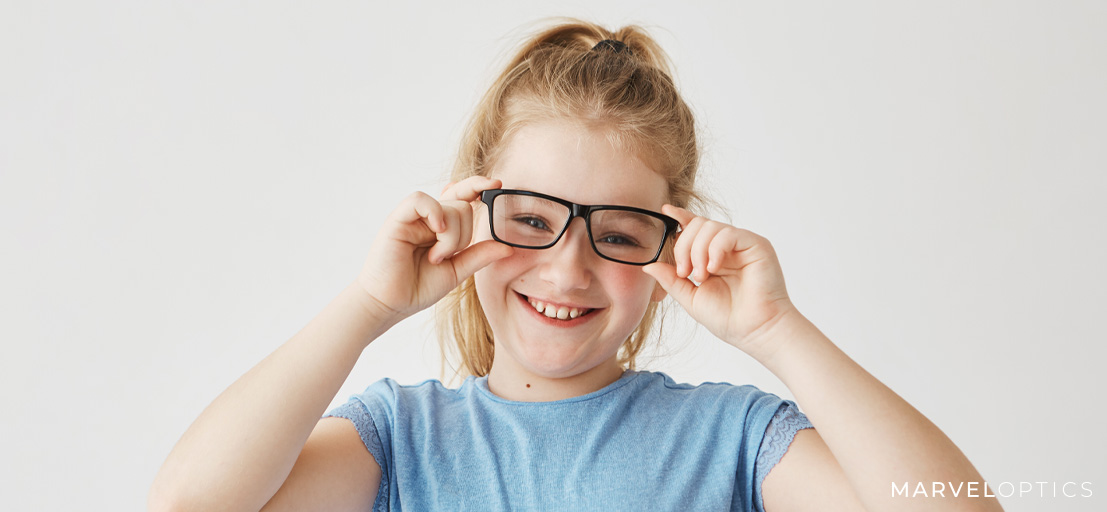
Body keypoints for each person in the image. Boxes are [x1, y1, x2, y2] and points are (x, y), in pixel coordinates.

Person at [149, 19, 1002, 512]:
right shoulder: (399, 440)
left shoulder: (733, 441)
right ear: (469, 213)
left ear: (671, 248)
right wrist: (369, 305)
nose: (565, 271)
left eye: (621, 235)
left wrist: (779, 333)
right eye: (529, 221)